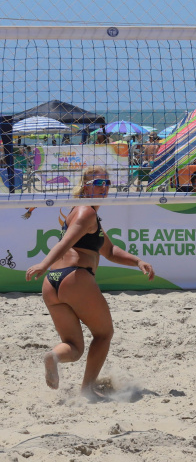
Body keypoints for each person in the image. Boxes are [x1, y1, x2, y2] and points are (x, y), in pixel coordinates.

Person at [24, 166, 155, 400]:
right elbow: (65, 242)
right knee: (104, 334)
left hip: (52, 284)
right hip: (75, 278)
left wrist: (138, 261)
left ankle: (53, 356)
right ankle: (87, 390)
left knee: (73, 347)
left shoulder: (82, 212)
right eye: (98, 183)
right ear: (86, 185)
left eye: (107, 183)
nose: (104, 188)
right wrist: (43, 263)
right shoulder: (86, 213)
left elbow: (110, 250)